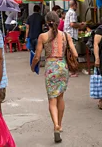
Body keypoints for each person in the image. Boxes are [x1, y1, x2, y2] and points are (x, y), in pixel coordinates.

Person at [31, 12, 77, 143]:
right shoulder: (65, 35)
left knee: (52, 99)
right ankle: (60, 125)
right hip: (63, 66)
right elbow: (74, 53)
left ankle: (55, 124)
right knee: (60, 97)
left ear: (46, 22)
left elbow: (37, 56)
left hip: (50, 67)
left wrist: (33, 66)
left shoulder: (43, 36)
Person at [64, 0, 85, 77]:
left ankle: (71, 70)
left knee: (69, 54)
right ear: (74, 5)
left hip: (67, 35)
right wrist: (80, 25)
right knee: (72, 54)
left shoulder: (68, 12)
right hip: (71, 36)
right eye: (76, 5)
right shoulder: (72, 13)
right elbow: (72, 24)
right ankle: (73, 71)